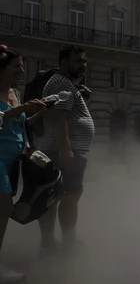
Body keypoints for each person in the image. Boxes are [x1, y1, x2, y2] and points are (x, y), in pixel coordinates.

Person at [36, 45, 94, 254]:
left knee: (63, 197)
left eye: (84, 61)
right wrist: (66, 151)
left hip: (63, 150)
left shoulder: (66, 84)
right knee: (65, 198)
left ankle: (57, 243)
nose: (83, 65)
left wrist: (82, 100)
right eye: (78, 61)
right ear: (63, 63)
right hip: (61, 151)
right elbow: (59, 120)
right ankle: (59, 244)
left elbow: (66, 115)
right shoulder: (61, 83)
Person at [0, 48, 50, 284]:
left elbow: (20, 123)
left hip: (12, 161)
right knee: (4, 208)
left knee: (2, 211)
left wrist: (38, 112)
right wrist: (22, 109)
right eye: (16, 66)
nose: (22, 70)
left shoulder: (14, 93)